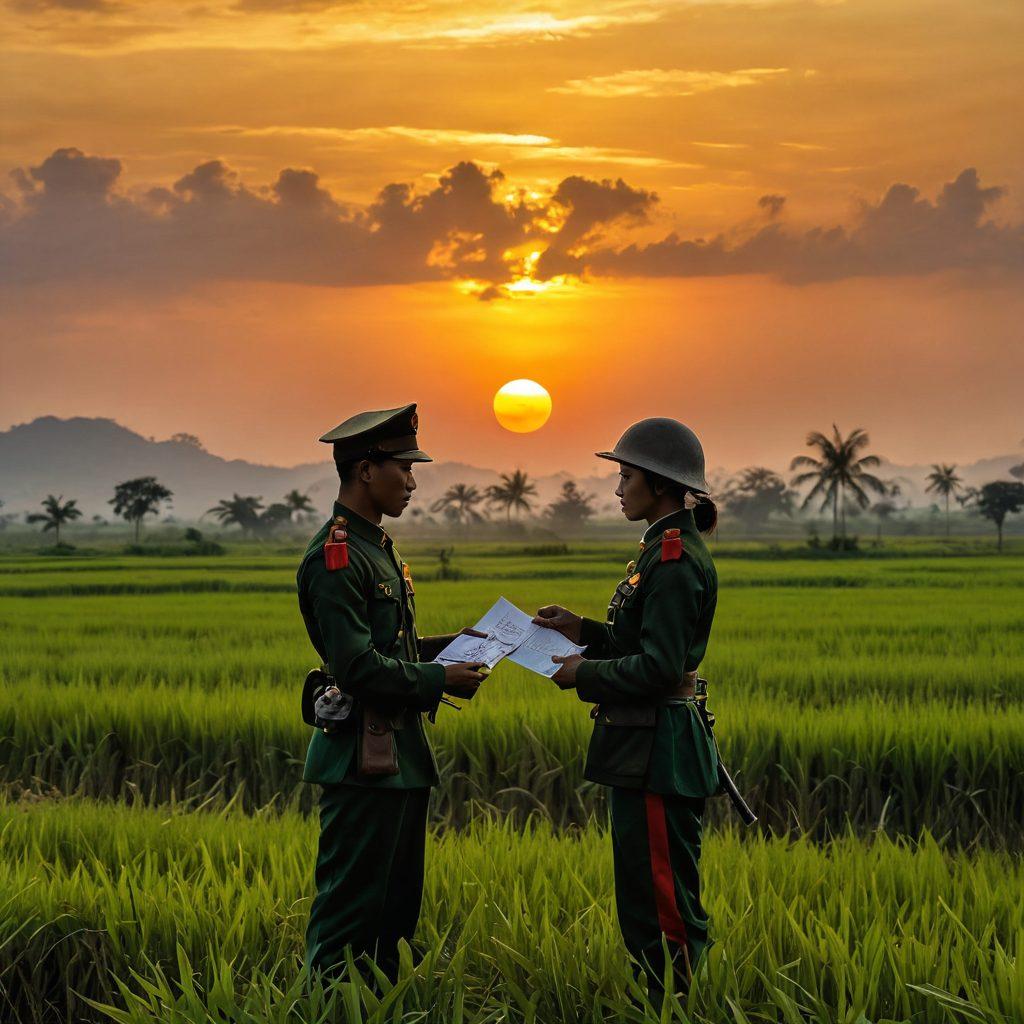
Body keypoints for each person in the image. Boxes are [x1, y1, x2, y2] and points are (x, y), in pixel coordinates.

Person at [533, 417, 720, 1003]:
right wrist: (582, 629)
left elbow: (661, 668)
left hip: (657, 750)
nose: (617, 489)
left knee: (661, 897)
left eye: (626, 476)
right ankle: (658, 1002)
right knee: (643, 889)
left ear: (660, 484)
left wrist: (580, 673)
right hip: (640, 745)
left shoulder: (672, 559)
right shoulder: (657, 551)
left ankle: (674, 1006)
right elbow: (638, 643)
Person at [297, 403, 485, 980]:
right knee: (349, 915)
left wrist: (456, 646)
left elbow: (390, 649)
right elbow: (355, 667)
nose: (412, 479)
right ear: (364, 470)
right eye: (402, 466)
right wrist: (438, 678)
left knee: (394, 916)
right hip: (361, 759)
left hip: (400, 757)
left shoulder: (376, 547)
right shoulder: (338, 556)